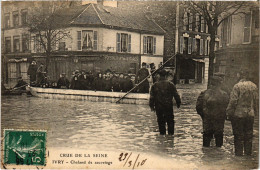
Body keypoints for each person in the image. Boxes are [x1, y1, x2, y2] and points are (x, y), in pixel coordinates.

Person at [226, 69, 258, 156]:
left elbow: (233, 101)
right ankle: (248, 154)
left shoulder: (237, 86)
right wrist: (256, 113)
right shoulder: (254, 86)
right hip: (250, 113)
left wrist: (229, 112)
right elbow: (256, 101)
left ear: (239, 75)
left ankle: (239, 155)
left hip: (238, 114)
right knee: (249, 134)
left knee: (238, 135)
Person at [196, 76, 229, 147]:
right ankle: (218, 155)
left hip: (207, 119)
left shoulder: (204, 93)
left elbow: (198, 107)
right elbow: (227, 108)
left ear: (211, 84)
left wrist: (203, 116)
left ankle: (207, 155)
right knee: (219, 141)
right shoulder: (224, 95)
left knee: (206, 140)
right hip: (219, 120)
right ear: (220, 84)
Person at [149, 69, 181, 135]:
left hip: (159, 107)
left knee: (161, 123)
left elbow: (151, 98)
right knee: (170, 122)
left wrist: (152, 107)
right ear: (166, 76)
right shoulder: (171, 84)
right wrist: (178, 103)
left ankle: (162, 138)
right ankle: (170, 138)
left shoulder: (154, 85)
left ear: (159, 76)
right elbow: (176, 95)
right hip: (168, 106)